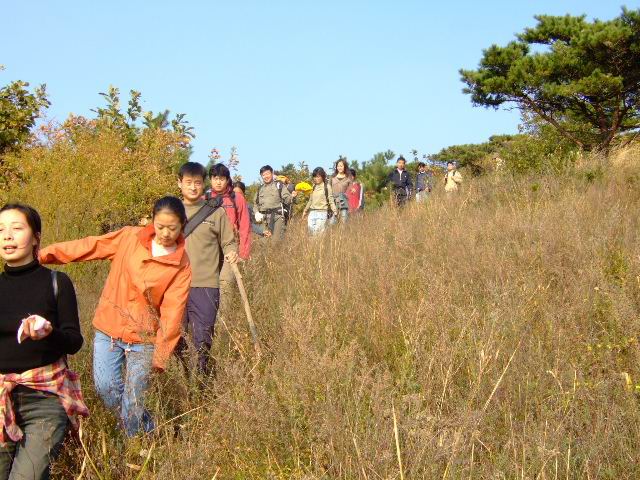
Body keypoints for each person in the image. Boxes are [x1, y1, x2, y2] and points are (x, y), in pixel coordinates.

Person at [39, 196, 192, 437]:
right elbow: (91, 246)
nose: (165, 233)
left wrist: (160, 356)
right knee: (106, 389)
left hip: (143, 340)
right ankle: (150, 428)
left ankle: (133, 446)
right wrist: (45, 254)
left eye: (172, 228)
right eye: (160, 226)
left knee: (133, 400)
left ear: (182, 225)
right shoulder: (129, 237)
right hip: (108, 331)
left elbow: (173, 312)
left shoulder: (181, 264)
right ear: (152, 221)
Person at [0, 203, 89, 479]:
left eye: (17, 228)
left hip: (45, 400)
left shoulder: (57, 282)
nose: (7, 236)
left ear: (36, 237)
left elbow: (74, 341)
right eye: (1, 230)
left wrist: (49, 332)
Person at [176, 162, 238, 377]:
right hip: (175, 285)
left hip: (206, 285)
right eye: (188, 182)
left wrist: (231, 252)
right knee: (176, 338)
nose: (193, 187)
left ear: (204, 184)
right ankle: (183, 379)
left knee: (202, 338)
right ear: (179, 183)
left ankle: (200, 381)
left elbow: (229, 242)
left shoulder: (216, 212)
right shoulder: (172, 211)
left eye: (197, 183)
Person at [254, 165, 297, 241]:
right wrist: (256, 212)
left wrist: (292, 196)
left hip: (277, 217)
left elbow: (287, 199)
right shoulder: (260, 189)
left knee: (276, 242)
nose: (266, 176)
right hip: (264, 219)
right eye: (263, 175)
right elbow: (255, 204)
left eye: (267, 174)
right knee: (264, 242)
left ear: (272, 173)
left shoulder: (279, 185)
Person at [303, 167, 338, 235]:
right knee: (311, 234)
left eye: (318, 177)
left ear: (322, 176)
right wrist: (305, 210)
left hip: (322, 213)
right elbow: (310, 200)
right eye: (315, 177)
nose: (316, 178)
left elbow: (331, 200)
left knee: (318, 235)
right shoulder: (313, 187)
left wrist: (335, 211)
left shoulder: (327, 187)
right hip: (312, 213)